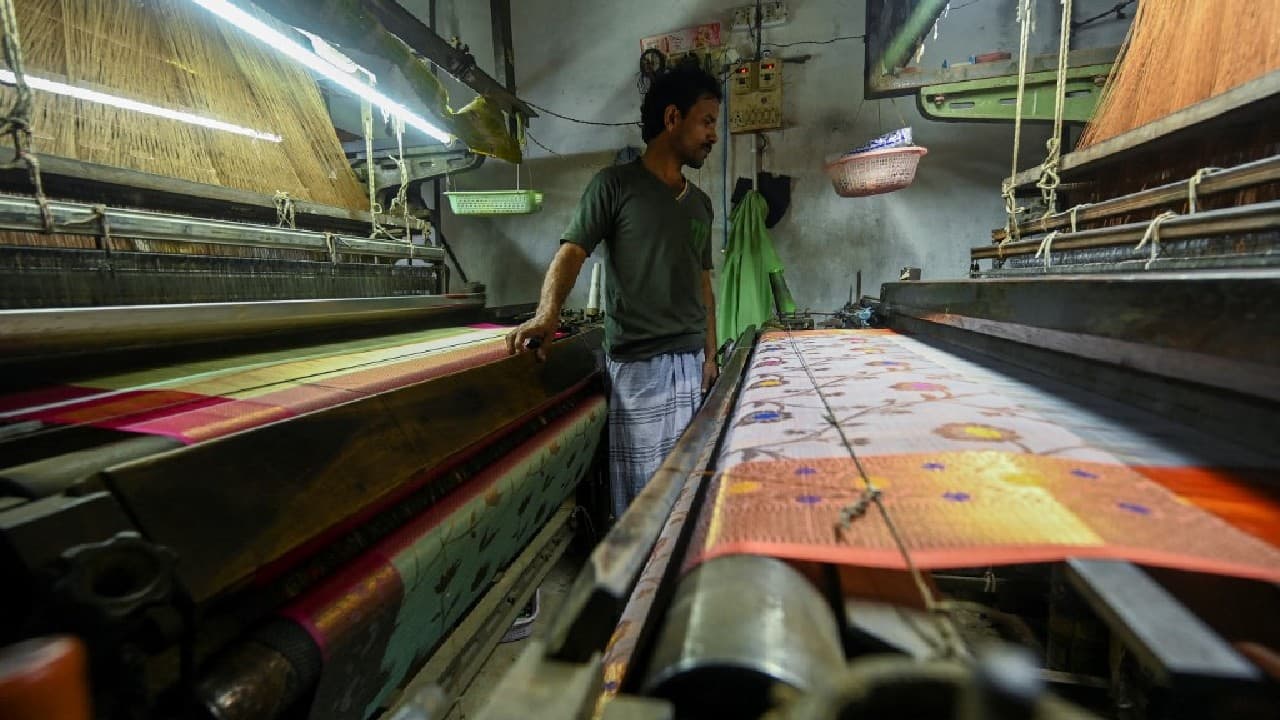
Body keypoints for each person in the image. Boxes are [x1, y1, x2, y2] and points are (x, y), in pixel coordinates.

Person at [506, 63, 722, 519]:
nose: (713, 135)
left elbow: (703, 285)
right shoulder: (614, 186)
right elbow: (572, 251)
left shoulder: (700, 205)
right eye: (706, 121)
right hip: (638, 370)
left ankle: (673, 586)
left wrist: (709, 356)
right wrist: (547, 316)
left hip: (689, 367)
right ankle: (640, 589)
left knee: (688, 497)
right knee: (644, 504)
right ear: (671, 119)